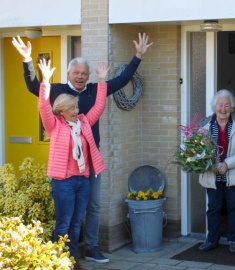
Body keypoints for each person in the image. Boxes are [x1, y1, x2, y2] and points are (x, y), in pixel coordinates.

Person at [12, 33, 153, 263]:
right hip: (64, 169)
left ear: (88, 77)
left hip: (88, 163)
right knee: (67, 218)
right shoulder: (55, 92)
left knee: (93, 207)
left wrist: (137, 56)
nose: (80, 77)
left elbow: (119, 83)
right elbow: (34, 88)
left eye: (84, 74)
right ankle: (62, 258)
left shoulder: (91, 93)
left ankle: (91, 248)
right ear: (68, 74)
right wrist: (28, 61)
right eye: (76, 73)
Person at [37, 58, 109, 270]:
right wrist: (46, 82)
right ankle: (60, 260)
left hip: (82, 180)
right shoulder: (54, 125)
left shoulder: (84, 122)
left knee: (77, 222)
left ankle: (72, 259)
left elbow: (100, 105)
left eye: (77, 107)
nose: (78, 111)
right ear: (62, 110)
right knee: (64, 222)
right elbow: (43, 106)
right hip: (64, 182)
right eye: (74, 108)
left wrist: (102, 80)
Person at [197, 89, 235, 254]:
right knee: (213, 208)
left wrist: (227, 164)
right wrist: (213, 165)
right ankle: (212, 239)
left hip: (233, 174)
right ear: (214, 106)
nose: (223, 109)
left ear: (232, 107)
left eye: (227, 105)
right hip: (212, 174)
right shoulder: (205, 125)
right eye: (220, 105)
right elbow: (198, 151)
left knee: (234, 207)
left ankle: (234, 239)